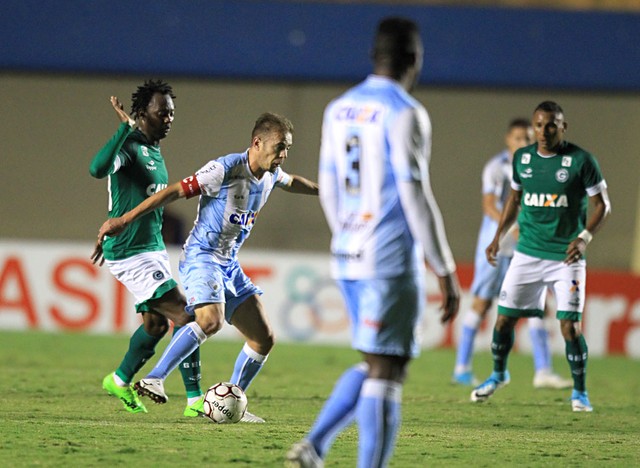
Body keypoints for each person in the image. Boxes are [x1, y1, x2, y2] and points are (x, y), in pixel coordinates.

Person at [286, 17, 460, 468]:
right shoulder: (405, 112)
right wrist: (444, 267)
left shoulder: (338, 107)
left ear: (373, 56)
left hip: (348, 252)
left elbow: (327, 181)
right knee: (388, 370)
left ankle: (313, 447)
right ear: (414, 60)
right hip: (387, 259)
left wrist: (345, 233)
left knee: (373, 363)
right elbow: (414, 193)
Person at [93, 112, 319, 423]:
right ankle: (154, 377)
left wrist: (329, 191)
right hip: (202, 257)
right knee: (209, 321)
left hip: (229, 264)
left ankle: (232, 401)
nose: (283, 155)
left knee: (263, 338)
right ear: (257, 142)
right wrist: (124, 219)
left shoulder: (270, 176)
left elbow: (293, 182)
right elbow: (173, 191)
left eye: (287, 149)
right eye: (280, 147)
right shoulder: (225, 168)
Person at [470, 101, 611, 412]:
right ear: (532, 128)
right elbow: (514, 199)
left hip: (566, 259)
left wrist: (584, 238)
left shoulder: (581, 161)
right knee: (504, 319)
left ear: (563, 127)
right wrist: (498, 237)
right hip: (527, 255)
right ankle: (498, 374)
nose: (544, 131)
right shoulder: (522, 158)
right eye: (538, 125)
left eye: (551, 125)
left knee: (569, 328)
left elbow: (603, 205)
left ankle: (580, 392)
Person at [89, 80, 203, 417]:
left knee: (155, 325)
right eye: (162, 113)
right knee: (186, 315)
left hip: (152, 249)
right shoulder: (130, 146)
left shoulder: (154, 150)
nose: (169, 118)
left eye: (172, 113)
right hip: (130, 252)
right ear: (142, 114)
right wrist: (124, 129)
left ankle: (120, 380)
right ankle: (196, 400)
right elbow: (96, 169)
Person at [452, 118, 572, 390]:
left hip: (525, 248)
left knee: (537, 307)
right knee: (482, 305)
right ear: (508, 139)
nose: (523, 142)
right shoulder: (496, 168)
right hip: (496, 245)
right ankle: (461, 368)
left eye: (528, 138)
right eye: (518, 138)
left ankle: (543, 371)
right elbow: (489, 206)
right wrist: (512, 228)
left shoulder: (539, 169)